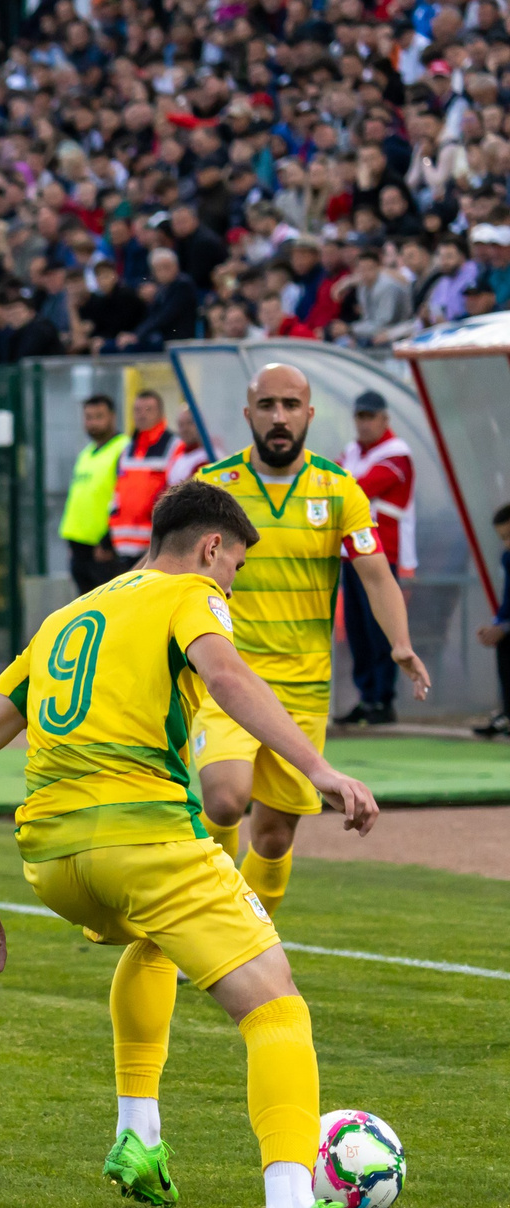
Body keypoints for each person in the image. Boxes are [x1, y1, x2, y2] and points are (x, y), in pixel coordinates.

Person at [0, 479, 398, 1208]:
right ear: (212, 546)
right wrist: (319, 770)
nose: (230, 586)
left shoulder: (67, 614)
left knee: (156, 941)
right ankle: (291, 1203)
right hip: (143, 841)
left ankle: (138, 1136)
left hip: (54, 863)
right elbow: (225, 674)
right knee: (277, 1005)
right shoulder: (190, 590)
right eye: (235, 569)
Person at [193, 365, 427, 923]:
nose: (279, 417)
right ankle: (210, 924)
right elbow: (169, 563)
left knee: (273, 837)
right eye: (268, 405)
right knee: (224, 798)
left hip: (303, 685)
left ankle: (250, 933)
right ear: (248, 413)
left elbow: (374, 571)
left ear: (310, 414)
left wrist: (399, 642)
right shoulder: (212, 484)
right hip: (226, 672)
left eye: (291, 406)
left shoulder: (338, 487)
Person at [336, 391, 415, 725]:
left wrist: (336, 482)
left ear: (385, 419)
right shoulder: (354, 450)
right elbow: (334, 482)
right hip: (351, 552)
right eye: (360, 416)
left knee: (381, 627)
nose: (364, 423)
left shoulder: (397, 454)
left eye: (370, 417)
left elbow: (354, 487)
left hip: (384, 552)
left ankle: (384, 699)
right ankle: (367, 697)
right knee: (357, 629)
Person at [106, 389, 193, 565]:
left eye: (148, 409)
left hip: (153, 545)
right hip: (122, 546)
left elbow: (176, 491)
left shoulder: (174, 446)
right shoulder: (127, 449)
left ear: (161, 413)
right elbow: (117, 495)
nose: (141, 415)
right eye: (137, 410)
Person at [61, 393, 126, 595]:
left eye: (99, 416)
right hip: (80, 548)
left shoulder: (123, 449)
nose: (93, 423)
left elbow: (125, 499)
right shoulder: (87, 452)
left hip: (103, 550)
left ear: (113, 417)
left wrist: (109, 541)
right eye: (88, 417)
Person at [478, 504, 510, 739]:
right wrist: (496, 626)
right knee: (505, 644)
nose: (506, 543)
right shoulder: (507, 558)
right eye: (503, 538)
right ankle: (507, 714)